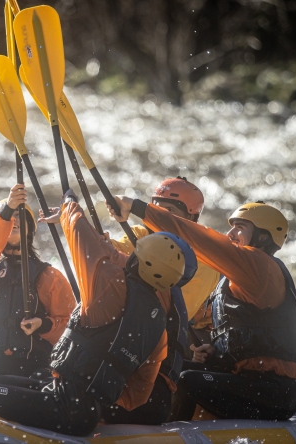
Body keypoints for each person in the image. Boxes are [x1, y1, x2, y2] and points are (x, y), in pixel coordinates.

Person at [0, 189, 192, 436]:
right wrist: (96, 392)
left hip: (66, 406)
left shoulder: (107, 285)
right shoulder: (158, 329)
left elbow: (82, 238)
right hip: (84, 408)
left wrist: (69, 202)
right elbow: (136, 395)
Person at [108, 196, 296, 421]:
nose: (230, 234)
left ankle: (162, 429)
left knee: (186, 380)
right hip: (247, 379)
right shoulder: (242, 275)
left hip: (272, 390)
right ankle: (126, 414)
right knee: (168, 368)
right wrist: (216, 353)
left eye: (240, 228)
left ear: (263, 237)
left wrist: (138, 208)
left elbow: (197, 236)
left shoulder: (259, 267)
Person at [103, 177, 218, 424]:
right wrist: (98, 241)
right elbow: (110, 254)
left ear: (192, 219)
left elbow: (171, 309)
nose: (158, 217)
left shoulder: (205, 260)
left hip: (169, 342)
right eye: (156, 209)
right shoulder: (140, 234)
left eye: (168, 212)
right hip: (134, 334)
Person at [0, 184, 76, 378]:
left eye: (18, 216)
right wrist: (6, 210)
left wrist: (44, 324)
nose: (13, 221)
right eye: (9, 216)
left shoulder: (50, 276)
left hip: (35, 370)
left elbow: (69, 327)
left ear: (29, 228)